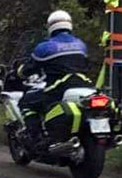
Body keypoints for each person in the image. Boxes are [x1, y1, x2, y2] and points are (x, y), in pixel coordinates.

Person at [16, 10, 93, 147]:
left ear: (51, 26)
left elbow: (30, 68)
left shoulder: (46, 47)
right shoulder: (81, 44)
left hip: (60, 87)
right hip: (84, 86)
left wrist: (20, 72)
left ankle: (35, 137)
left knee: (26, 103)